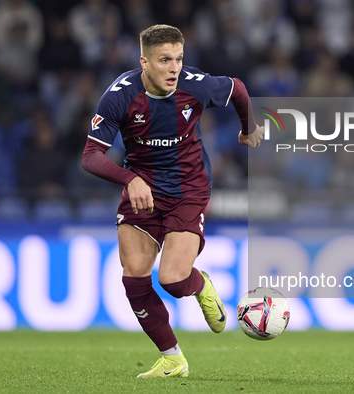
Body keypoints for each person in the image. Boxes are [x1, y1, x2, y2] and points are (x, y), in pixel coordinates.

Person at [81, 24, 263, 378]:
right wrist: (129, 178)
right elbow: (90, 155)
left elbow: (237, 90)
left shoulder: (196, 85)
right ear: (144, 62)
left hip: (188, 190)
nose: (174, 68)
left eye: (178, 59)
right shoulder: (120, 94)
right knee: (134, 277)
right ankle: (173, 358)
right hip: (143, 190)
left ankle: (200, 284)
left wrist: (248, 128)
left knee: (173, 281)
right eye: (164, 60)